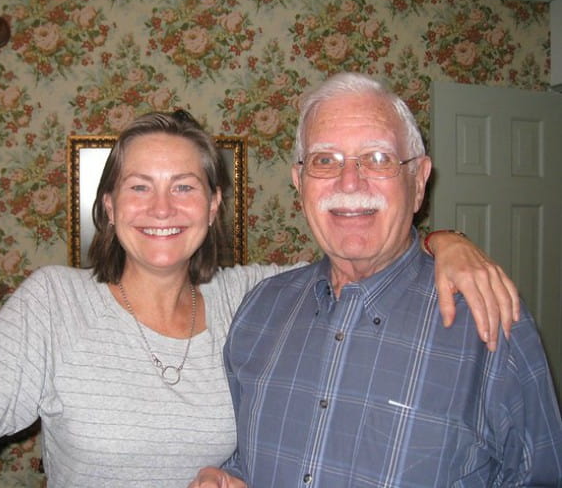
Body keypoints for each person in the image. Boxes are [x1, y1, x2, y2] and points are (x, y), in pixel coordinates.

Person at [0, 111, 520, 488]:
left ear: (212, 207)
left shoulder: (251, 299)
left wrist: (446, 242)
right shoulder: (55, 303)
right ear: (109, 207)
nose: (161, 209)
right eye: (139, 188)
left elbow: (359, 251)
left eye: (184, 187)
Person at [190, 73, 562, 488]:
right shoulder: (261, 308)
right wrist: (230, 476)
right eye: (324, 160)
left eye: (378, 158)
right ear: (299, 183)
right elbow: (255, 451)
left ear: (418, 181)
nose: (350, 182)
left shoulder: (488, 320)